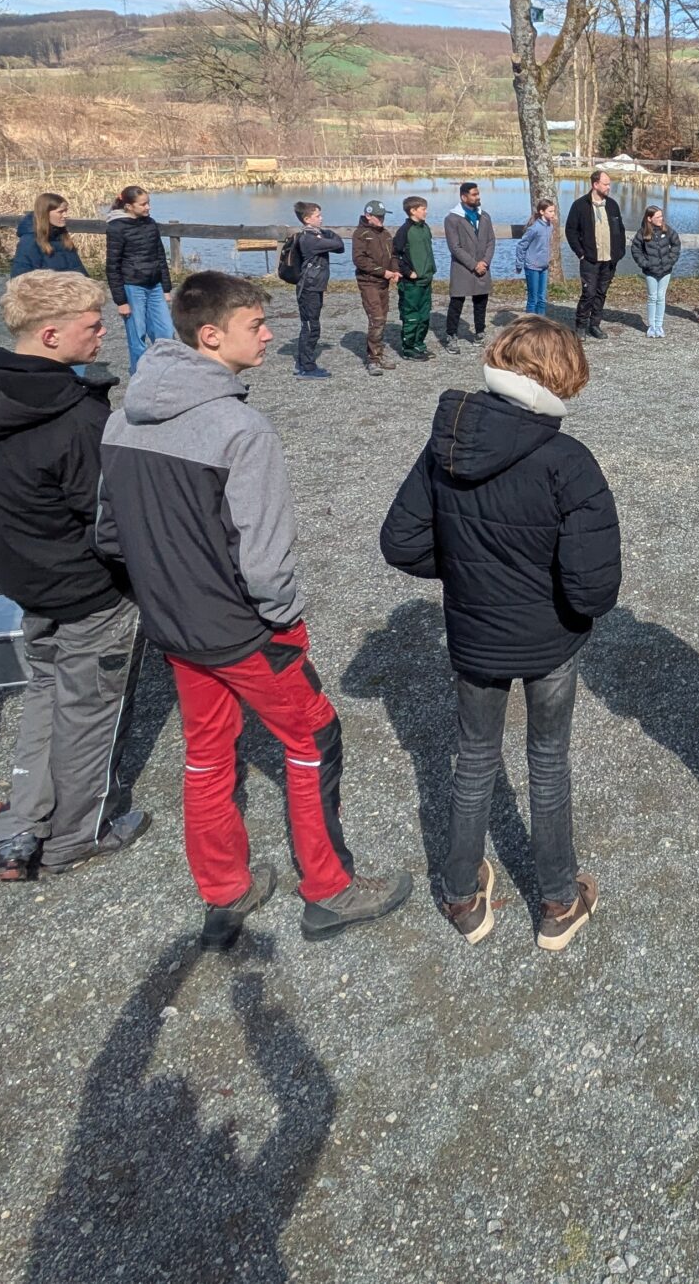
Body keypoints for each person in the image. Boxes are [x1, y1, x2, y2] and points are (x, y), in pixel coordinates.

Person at [97, 270, 412, 948]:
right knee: (313, 738)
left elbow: (110, 536)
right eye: (256, 325)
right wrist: (282, 618)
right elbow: (264, 561)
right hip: (245, 632)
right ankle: (329, 888)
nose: (269, 335)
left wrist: (167, 588)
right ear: (211, 336)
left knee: (207, 753)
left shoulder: (121, 419)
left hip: (173, 627)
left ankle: (225, 891)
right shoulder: (241, 430)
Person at [380, 316, 622, 951]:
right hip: (549, 639)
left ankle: (461, 895)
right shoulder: (567, 461)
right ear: (563, 378)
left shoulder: (447, 445)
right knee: (547, 762)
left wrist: (467, 573)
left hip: (475, 634)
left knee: (474, 759)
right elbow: (593, 590)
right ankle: (558, 901)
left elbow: (402, 542)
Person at [0, 270, 149, 882]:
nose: (104, 333)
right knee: (91, 710)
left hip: (20, 574)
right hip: (87, 586)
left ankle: (22, 825)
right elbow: (107, 518)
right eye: (93, 326)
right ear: (51, 335)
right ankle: (79, 835)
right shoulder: (75, 417)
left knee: (46, 693)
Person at [104, 186, 176, 370]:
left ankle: (166, 372)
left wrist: (166, 288)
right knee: (138, 336)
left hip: (155, 285)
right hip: (132, 287)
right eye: (143, 204)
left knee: (166, 332)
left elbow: (160, 256)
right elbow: (112, 266)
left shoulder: (150, 224)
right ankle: (139, 375)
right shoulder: (116, 228)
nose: (148, 207)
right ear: (129, 206)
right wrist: (121, 301)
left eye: (148, 203)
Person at [282, 201, 345, 379]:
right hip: (309, 287)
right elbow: (339, 245)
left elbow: (338, 248)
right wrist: (328, 233)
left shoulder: (314, 236)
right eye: (318, 216)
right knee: (311, 326)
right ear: (307, 219)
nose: (321, 219)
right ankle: (307, 367)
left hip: (313, 286)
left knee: (309, 325)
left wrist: (323, 233)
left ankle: (303, 362)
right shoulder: (310, 239)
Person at [565, 169, 627, 339]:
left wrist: (620, 252)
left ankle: (595, 325)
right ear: (595, 184)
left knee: (601, 293)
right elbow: (570, 231)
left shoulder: (612, 205)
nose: (609, 187)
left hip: (609, 259)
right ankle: (580, 326)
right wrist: (580, 253)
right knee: (589, 293)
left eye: (609, 184)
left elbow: (620, 230)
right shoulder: (580, 205)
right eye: (605, 184)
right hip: (590, 259)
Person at [350, 200, 399, 374]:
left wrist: (395, 271)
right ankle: (372, 360)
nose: (381, 219)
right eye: (378, 216)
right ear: (368, 216)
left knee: (382, 319)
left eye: (383, 216)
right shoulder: (360, 234)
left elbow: (393, 255)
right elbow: (360, 260)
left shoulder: (385, 234)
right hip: (368, 282)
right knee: (376, 318)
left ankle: (378, 354)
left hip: (383, 283)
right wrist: (382, 272)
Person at [443, 181, 494, 345]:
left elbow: (491, 241)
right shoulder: (452, 219)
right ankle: (451, 335)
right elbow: (455, 247)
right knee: (457, 302)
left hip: (483, 266)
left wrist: (485, 262)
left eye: (478, 193)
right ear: (464, 197)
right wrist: (474, 264)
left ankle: (479, 332)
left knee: (481, 302)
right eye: (474, 194)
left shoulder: (484, 216)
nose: (478, 197)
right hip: (462, 267)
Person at [393, 195, 438, 362]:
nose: (426, 212)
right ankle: (408, 348)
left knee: (424, 315)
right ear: (413, 211)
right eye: (423, 209)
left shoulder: (425, 227)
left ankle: (419, 344)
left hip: (426, 278)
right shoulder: (404, 231)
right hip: (411, 283)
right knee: (411, 315)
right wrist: (407, 272)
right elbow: (395, 255)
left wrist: (430, 270)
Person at [630, 204, 681, 338]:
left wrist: (670, 260)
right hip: (650, 271)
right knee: (652, 297)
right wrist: (645, 263)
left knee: (661, 297)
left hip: (665, 270)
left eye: (661, 216)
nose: (661, 219)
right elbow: (635, 249)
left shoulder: (667, 230)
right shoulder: (642, 233)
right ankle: (651, 326)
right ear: (649, 218)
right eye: (657, 217)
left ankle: (659, 325)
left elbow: (676, 244)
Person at [12, 192, 84, 275]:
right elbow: (20, 277)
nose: (65, 215)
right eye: (60, 212)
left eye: (66, 211)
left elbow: (79, 269)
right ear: (45, 213)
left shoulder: (63, 237)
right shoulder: (29, 241)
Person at [518, 198, 557, 318]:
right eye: (550, 211)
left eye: (554, 211)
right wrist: (519, 264)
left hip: (544, 267)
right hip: (532, 267)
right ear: (542, 212)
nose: (553, 214)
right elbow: (521, 245)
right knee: (533, 299)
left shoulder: (550, 226)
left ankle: (541, 322)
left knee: (542, 298)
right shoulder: (534, 228)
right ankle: (529, 324)